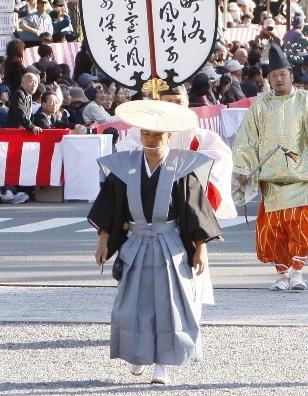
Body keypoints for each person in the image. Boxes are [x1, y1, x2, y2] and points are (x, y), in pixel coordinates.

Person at [88, 98, 222, 386]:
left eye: (157, 135)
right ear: (139, 134)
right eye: (146, 133)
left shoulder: (182, 168)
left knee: (168, 305)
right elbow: (111, 208)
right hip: (135, 243)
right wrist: (103, 241)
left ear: (168, 137)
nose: (150, 139)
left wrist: (201, 249)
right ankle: (137, 355)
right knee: (133, 304)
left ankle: (162, 364)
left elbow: (196, 211)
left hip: (169, 244)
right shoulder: (124, 167)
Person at [231, 44, 308, 291]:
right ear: (268, 79)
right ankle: (281, 274)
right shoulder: (260, 105)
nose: (278, 79)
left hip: (301, 175)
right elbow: (246, 138)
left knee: (303, 225)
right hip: (271, 179)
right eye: (273, 76)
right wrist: (243, 169)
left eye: (282, 75)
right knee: (274, 230)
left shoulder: (306, 100)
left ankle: (297, 271)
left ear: (291, 76)